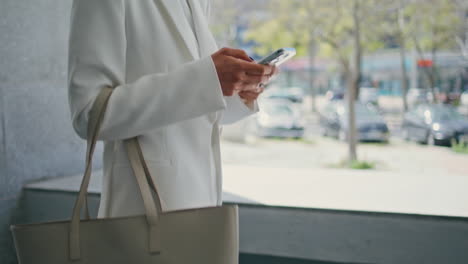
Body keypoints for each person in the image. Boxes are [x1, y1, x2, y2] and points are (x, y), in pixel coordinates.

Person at [68, 0, 276, 218]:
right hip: (143, 214)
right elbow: (90, 114)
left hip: (203, 204)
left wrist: (236, 90)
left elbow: (191, 107)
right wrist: (206, 81)